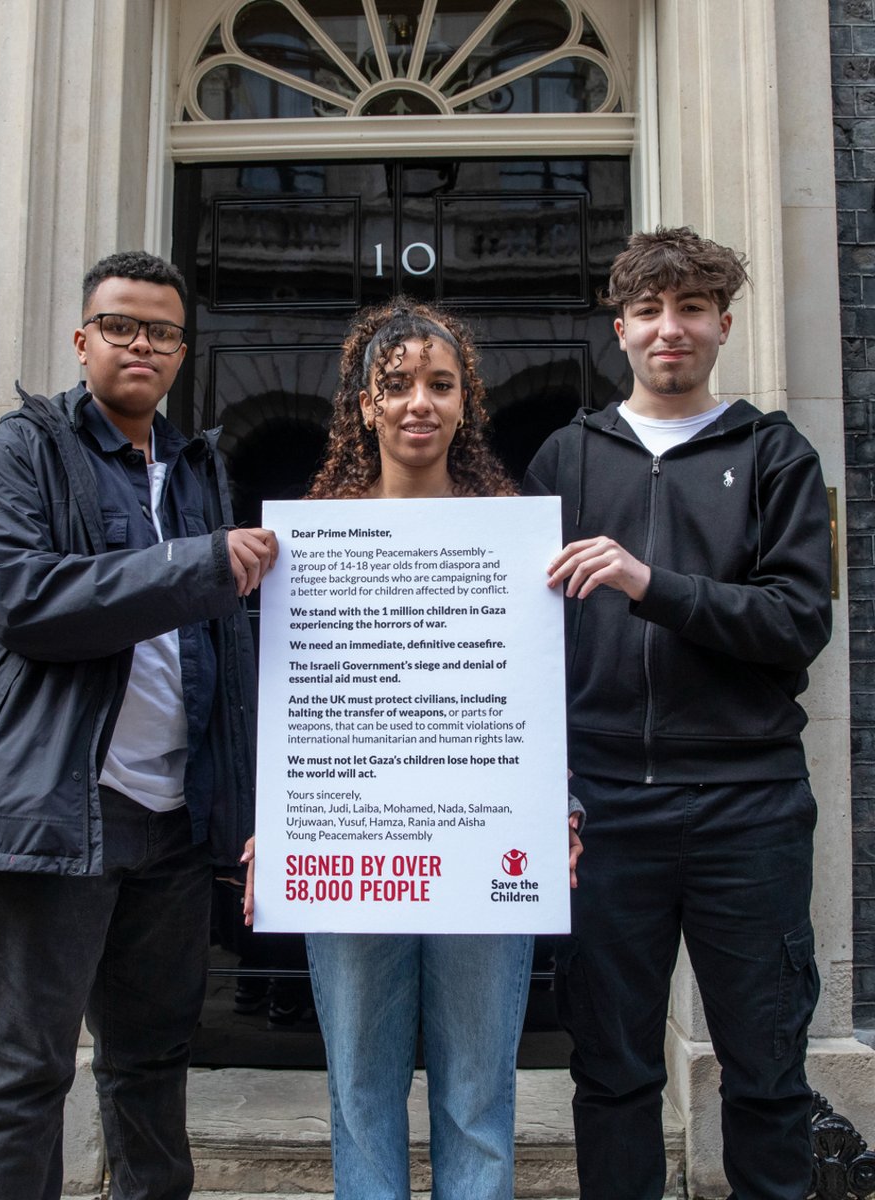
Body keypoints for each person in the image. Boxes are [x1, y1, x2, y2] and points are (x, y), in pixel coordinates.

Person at [0, 250, 278, 1200]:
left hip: (170, 818)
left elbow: (230, 652)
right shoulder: (21, 450)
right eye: (122, 327)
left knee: (152, 1064)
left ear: (182, 351)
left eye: (162, 332)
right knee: (21, 1073)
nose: (143, 345)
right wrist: (202, 563)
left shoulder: (197, 465)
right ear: (83, 339)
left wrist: (249, 809)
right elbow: (22, 598)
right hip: (47, 814)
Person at [523, 227, 832, 1199]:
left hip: (750, 804)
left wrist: (649, 582)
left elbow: (797, 622)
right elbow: (509, 634)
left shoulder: (776, 454)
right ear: (622, 328)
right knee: (612, 1074)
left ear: (723, 325)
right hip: (606, 805)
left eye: (692, 309)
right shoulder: (565, 459)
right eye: (650, 311)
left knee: (767, 1074)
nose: (671, 329)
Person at [271, 298, 583, 1200]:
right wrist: (277, 827)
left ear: (464, 403)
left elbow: (540, 690)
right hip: (353, 846)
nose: (419, 402)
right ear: (362, 406)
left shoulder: (515, 537)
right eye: (396, 384)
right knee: (360, 1091)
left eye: (440, 385)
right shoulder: (310, 540)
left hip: (486, 842)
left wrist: (558, 805)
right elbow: (293, 698)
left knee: (479, 1095)